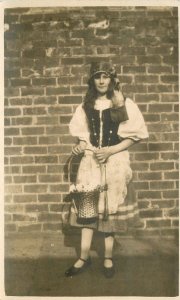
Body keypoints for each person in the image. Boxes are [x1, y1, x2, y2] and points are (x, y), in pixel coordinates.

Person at [65, 61, 149, 278]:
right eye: (97, 76)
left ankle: (108, 257)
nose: (102, 81)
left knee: (108, 210)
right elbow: (84, 136)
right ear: (92, 80)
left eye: (105, 76)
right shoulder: (86, 105)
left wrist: (110, 151)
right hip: (91, 162)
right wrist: (81, 146)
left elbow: (133, 136)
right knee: (87, 209)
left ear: (112, 79)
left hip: (114, 162)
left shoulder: (122, 103)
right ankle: (84, 257)